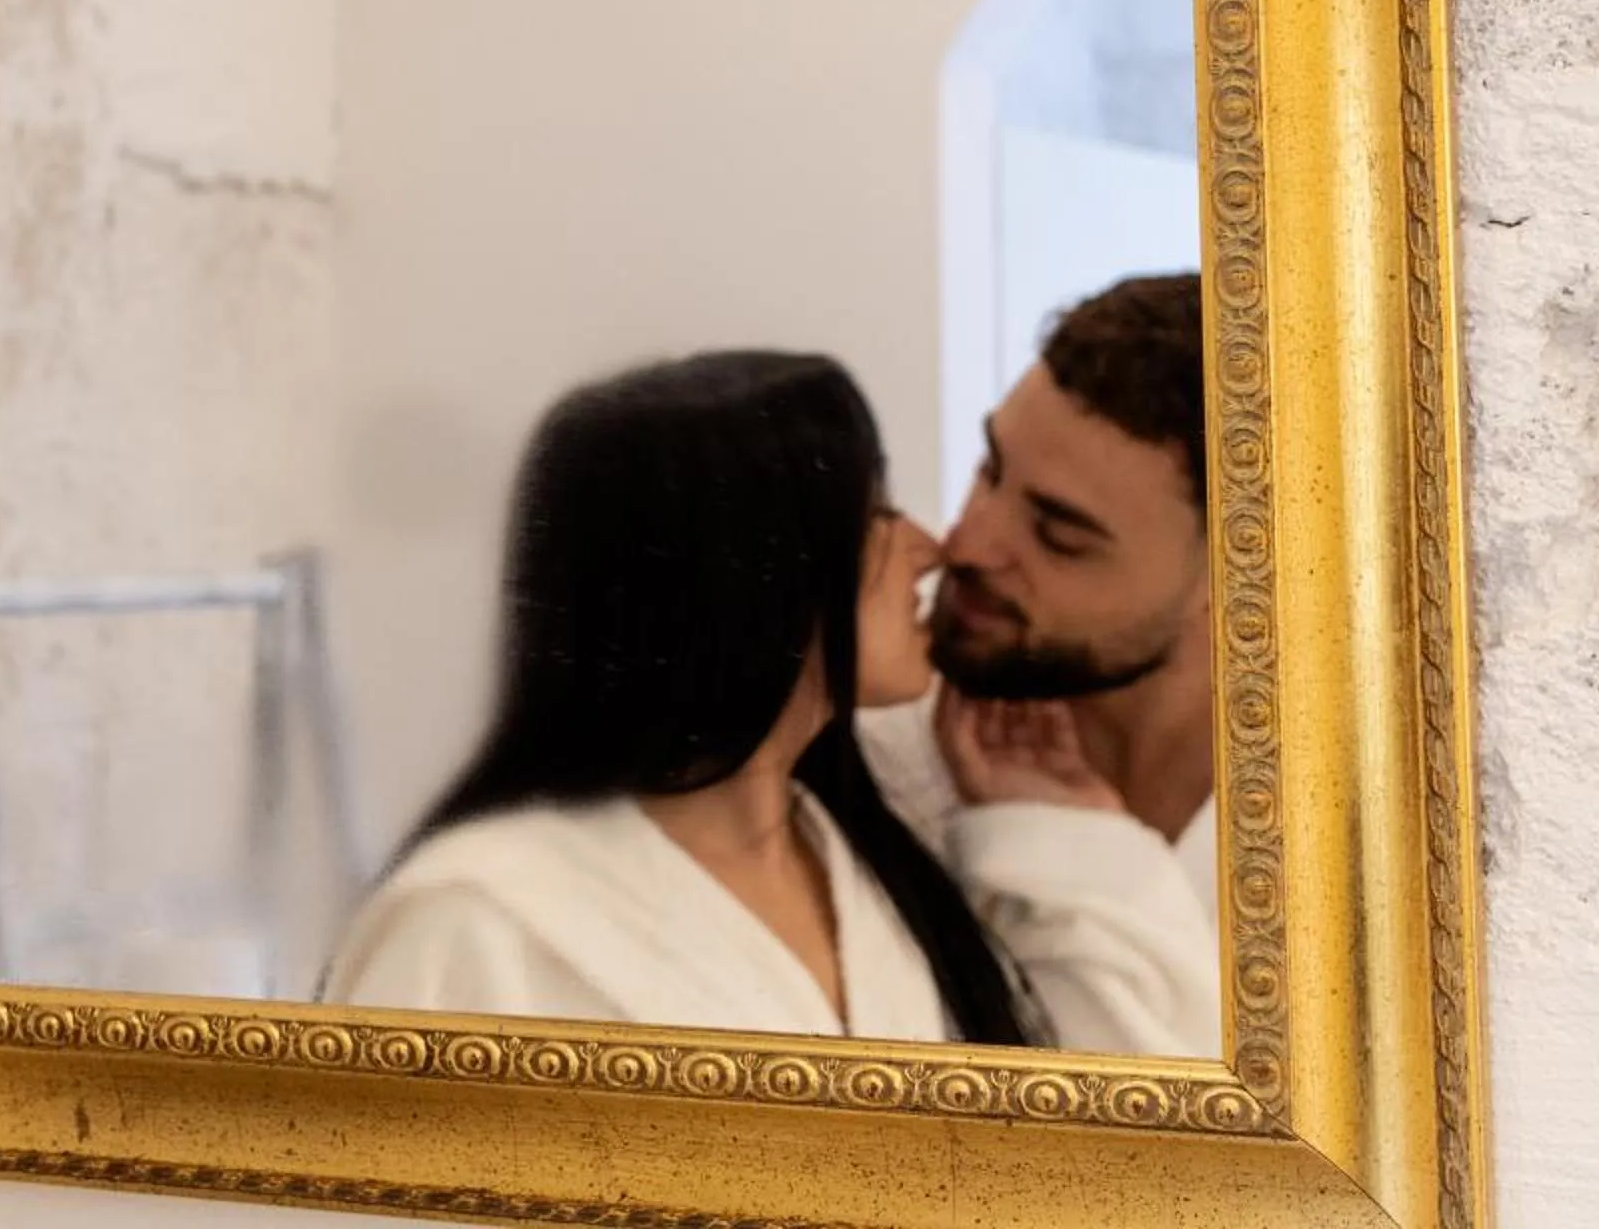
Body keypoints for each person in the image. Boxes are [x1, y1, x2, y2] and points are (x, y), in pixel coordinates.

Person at [318, 350, 1217, 1052]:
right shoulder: (476, 921)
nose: (933, 546)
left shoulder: (871, 858)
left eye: (1060, 533)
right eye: (872, 516)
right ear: (745, 583)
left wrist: (1061, 837)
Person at [863, 270, 1222, 1055]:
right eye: (989, 470)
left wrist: (1065, 852)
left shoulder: (1351, 855)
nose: (967, 544)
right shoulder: (877, 752)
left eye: (1059, 536)